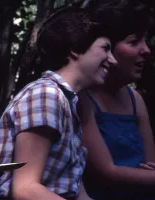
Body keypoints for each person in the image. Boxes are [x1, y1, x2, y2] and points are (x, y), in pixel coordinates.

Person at [0, 7, 117, 200]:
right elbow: (25, 190)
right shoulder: (46, 95)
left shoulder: (68, 103)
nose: (112, 60)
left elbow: (76, 192)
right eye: (105, 48)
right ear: (75, 48)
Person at [78, 0, 155, 199]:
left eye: (145, 40)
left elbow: (150, 166)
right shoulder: (82, 98)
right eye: (134, 41)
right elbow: (106, 173)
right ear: (106, 48)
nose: (146, 50)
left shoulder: (135, 99)